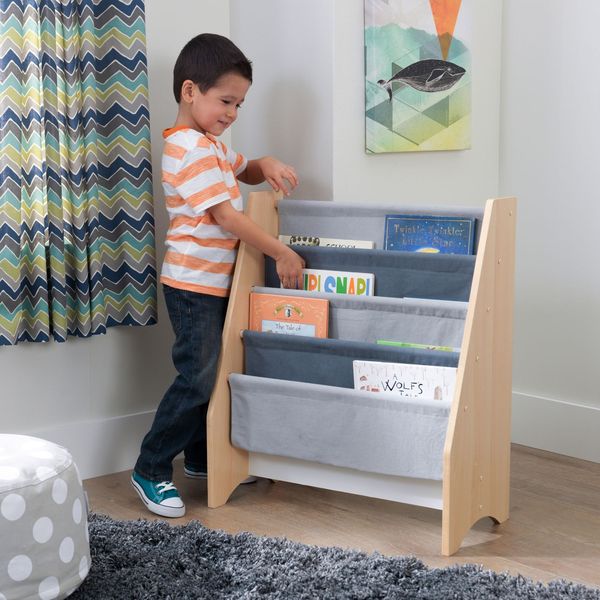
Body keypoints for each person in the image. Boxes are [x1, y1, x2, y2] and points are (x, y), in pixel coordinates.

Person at [131, 33, 305, 518]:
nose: (233, 113)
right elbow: (226, 217)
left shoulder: (209, 144)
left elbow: (245, 168)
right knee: (198, 376)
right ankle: (150, 466)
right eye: (226, 101)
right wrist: (280, 251)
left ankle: (202, 457)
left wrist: (266, 163)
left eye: (239, 104)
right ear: (190, 91)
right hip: (193, 285)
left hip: (214, 282)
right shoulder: (188, 149)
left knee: (217, 372)